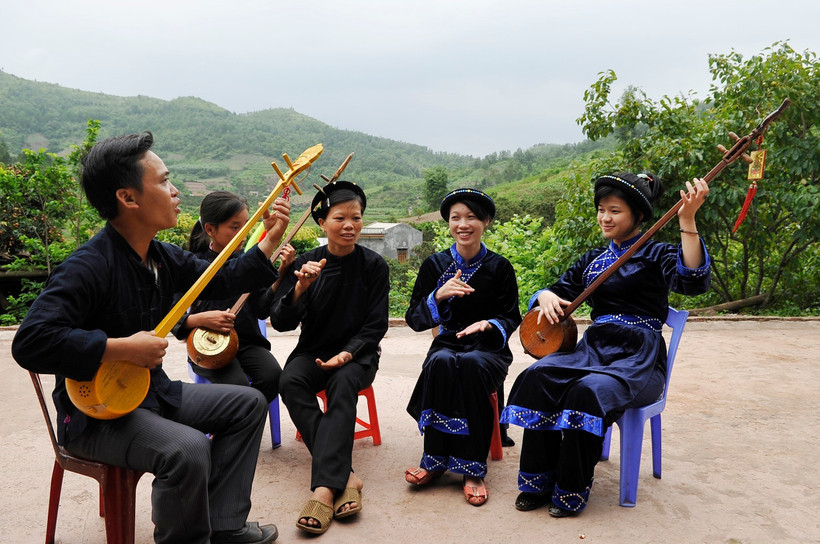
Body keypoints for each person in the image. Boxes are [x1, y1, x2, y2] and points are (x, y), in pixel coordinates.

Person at [12, 131, 290, 544]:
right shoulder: (87, 266)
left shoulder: (160, 256)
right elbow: (30, 342)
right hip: (97, 415)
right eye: (163, 181)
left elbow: (223, 278)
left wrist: (270, 237)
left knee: (248, 403)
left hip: (151, 394)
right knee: (188, 448)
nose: (176, 191)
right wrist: (121, 348)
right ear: (128, 198)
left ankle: (225, 525)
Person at [501, 172, 711, 517]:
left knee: (589, 390)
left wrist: (687, 220)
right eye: (601, 210)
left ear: (638, 216)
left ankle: (570, 490)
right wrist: (547, 296)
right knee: (538, 375)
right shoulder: (593, 259)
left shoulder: (657, 253)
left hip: (639, 358)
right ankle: (537, 482)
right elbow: (556, 290)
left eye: (615, 210)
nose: (605, 218)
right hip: (593, 349)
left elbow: (693, 281)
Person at [269, 180, 389, 535]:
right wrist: (299, 288)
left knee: (341, 383)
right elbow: (280, 321)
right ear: (322, 222)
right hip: (313, 349)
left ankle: (323, 489)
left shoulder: (374, 266)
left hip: (357, 354)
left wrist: (347, 354)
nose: (349, 225)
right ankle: (348, 476)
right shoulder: (307, 263)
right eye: (340, 217)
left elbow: (375, 325)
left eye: (356, 217)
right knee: (289, 381)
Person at [403, 188, 522, 506]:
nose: (463, 224)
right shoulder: (435, 265)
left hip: (488, 349)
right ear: (449, 224)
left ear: (486, 222)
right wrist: (437, 296)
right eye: (456, 217)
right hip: (447, 342)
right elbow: (413, 318)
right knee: (441, 362)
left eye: (471, 217)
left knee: (470, 366)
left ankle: (472, 468)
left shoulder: (500, 268)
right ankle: (434, 459)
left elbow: (511, 316)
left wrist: (489, 324)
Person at [173, 190, 296, 402]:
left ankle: (241, 420)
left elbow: (261, 308)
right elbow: (172, 317)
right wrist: (200, 319)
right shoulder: (191, 264)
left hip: (247, 342)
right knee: (238, 388)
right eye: (235, 227)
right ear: (210, 229)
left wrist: (282, 272)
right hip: (208, 344)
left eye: (246, 225)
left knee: (273, 377)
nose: (244, 233)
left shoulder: (249, 263)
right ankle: (234, 421)